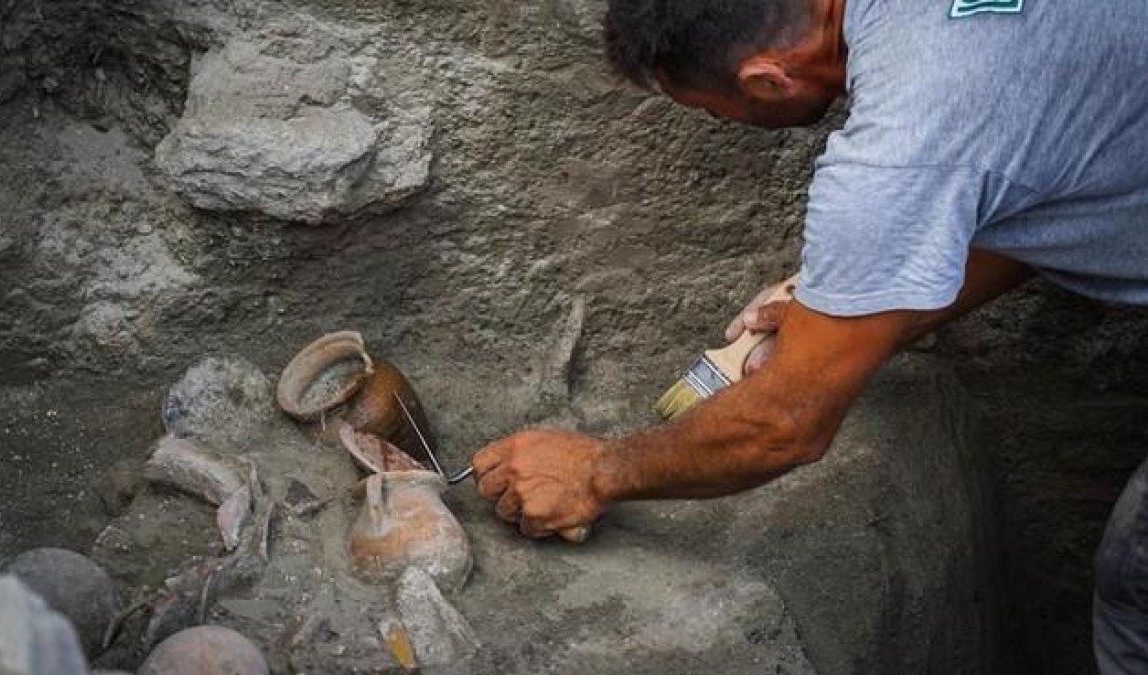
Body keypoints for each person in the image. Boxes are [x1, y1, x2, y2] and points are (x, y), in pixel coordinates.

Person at [469, 0, 1148, 671]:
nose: (720, 123)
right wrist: (865, 305)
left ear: (768, 79)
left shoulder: (902, 145)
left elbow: (784, 425)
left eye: (713, 111)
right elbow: (1047, 175)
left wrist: (594, 473)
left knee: (1135, 584)